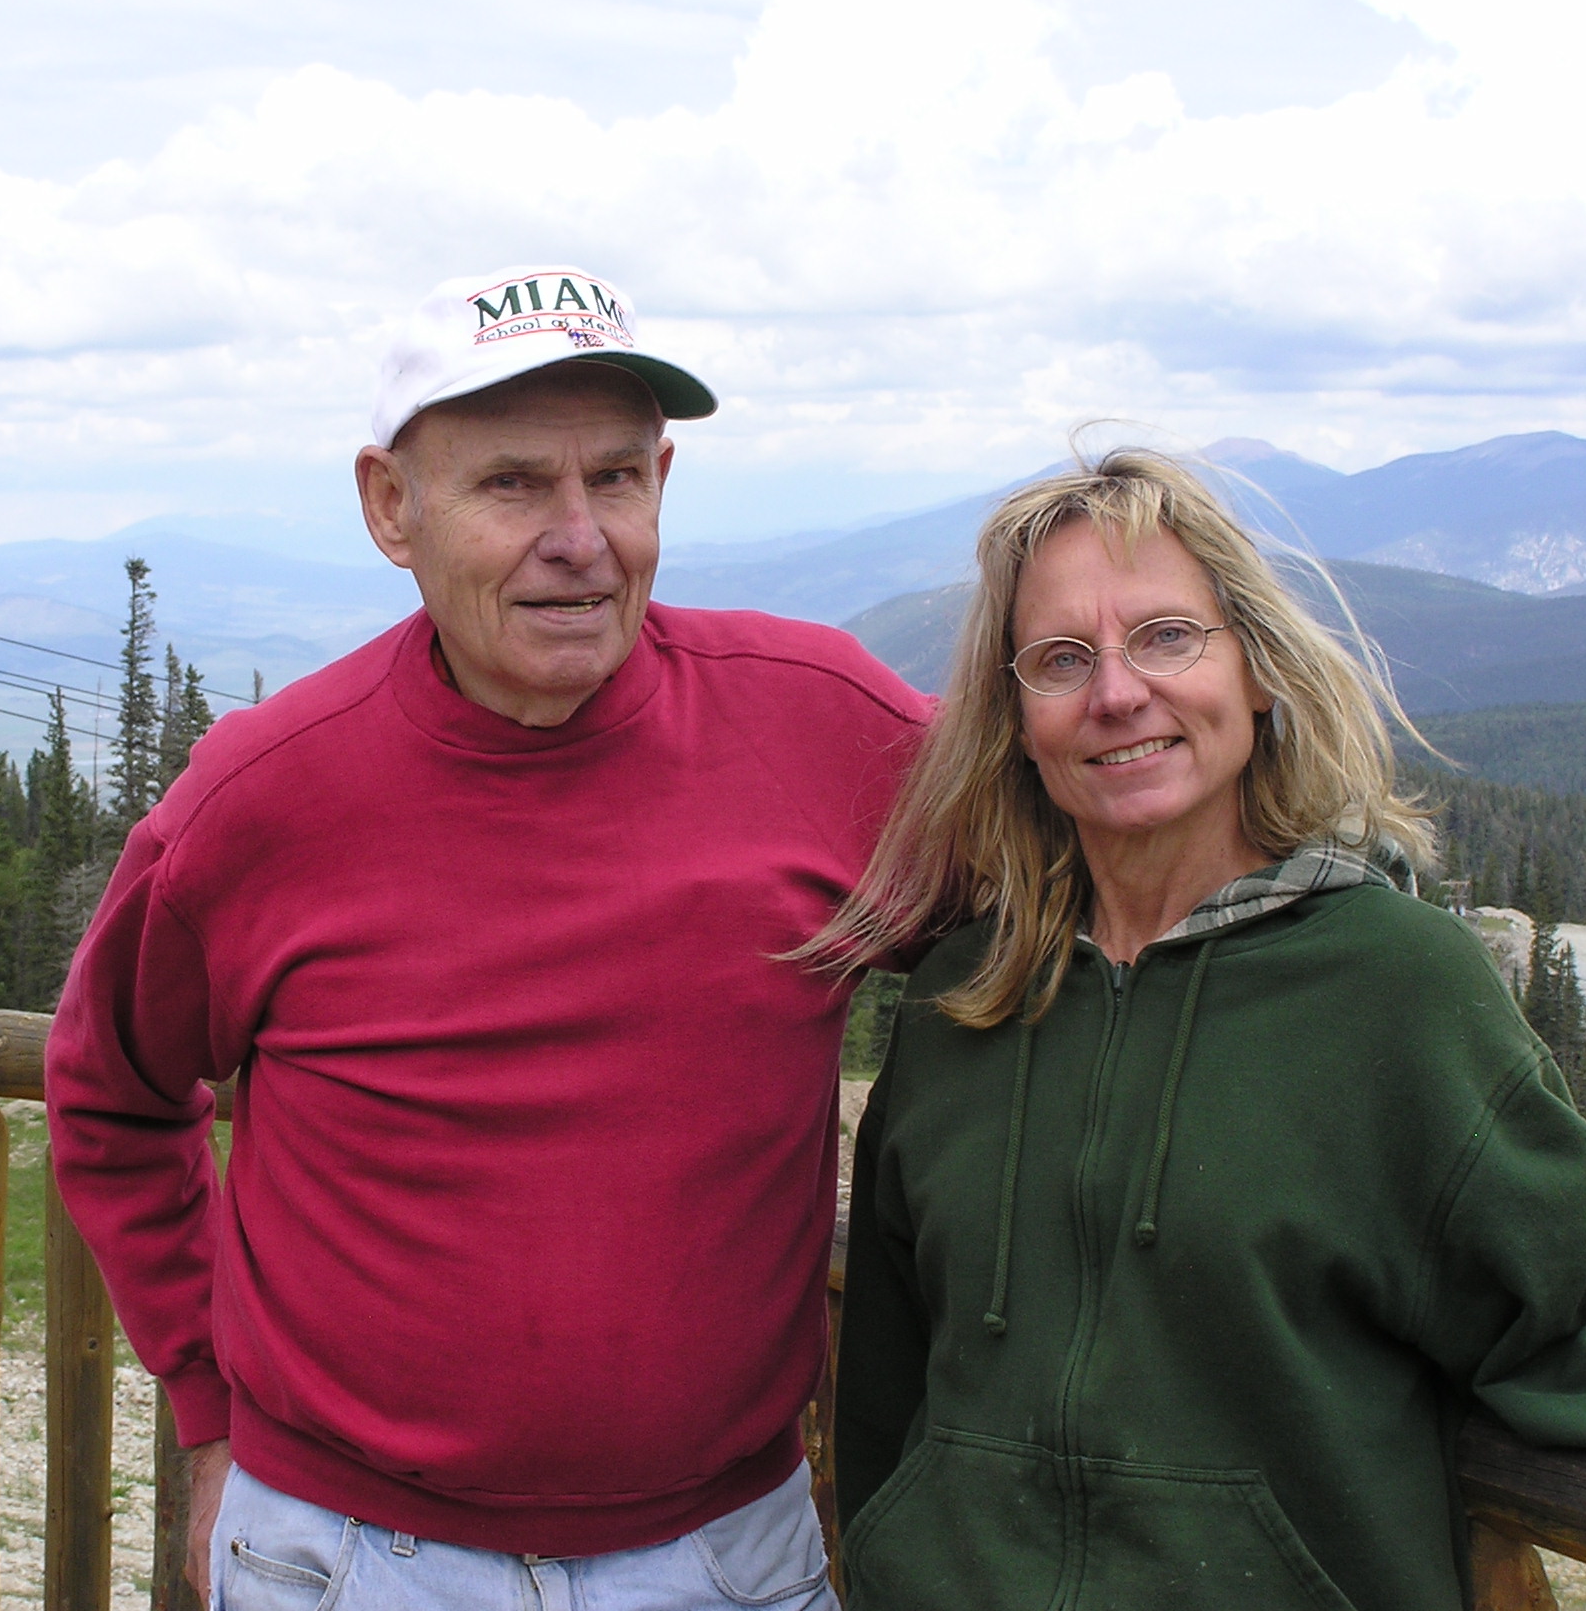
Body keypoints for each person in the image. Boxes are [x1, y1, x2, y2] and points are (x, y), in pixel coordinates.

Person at [46, 263, 932, 1610]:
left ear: (662, 482)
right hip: (347, 1556)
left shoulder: (826, 727)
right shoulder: (262, 799)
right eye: (512, 483)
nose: (579, 537)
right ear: (389, 506)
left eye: (615, 478)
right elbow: (111, 1090)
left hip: (725, 1551)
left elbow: (1074, 899)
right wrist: (207, 1405)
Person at [819, 446, 1586, 1610]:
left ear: (1258, 671)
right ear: (1015, 719)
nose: (1115, 692)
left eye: (1166, 636)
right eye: (1060, 658)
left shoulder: (1392, 987)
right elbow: (883, 1387)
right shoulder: (959, 1001)